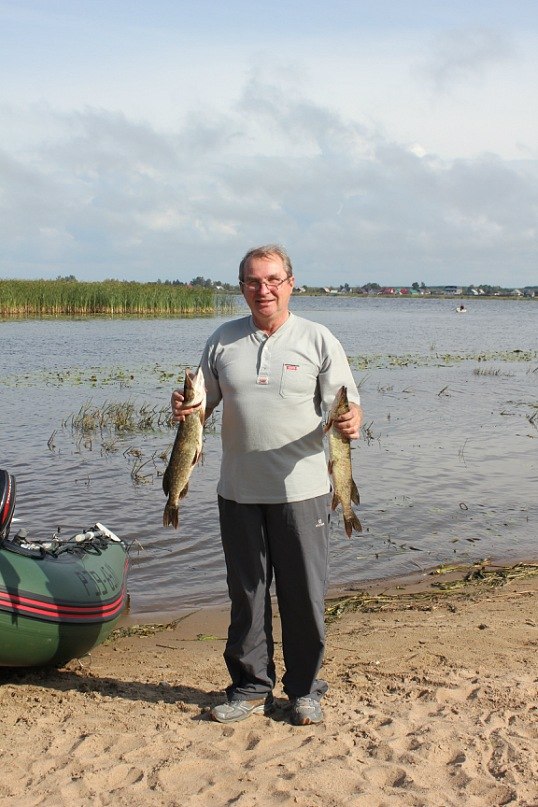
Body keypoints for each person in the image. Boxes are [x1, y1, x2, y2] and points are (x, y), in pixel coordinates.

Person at [172, 244, 362, 726]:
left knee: (304, 595)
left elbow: (345, 405)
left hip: (302, 492)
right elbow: (202, 404)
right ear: (242, 288)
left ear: (290, 283)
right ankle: (251, 687)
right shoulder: (221, 341)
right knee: (247, 595)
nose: (264, 290)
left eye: (273, 279)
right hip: (237, 492)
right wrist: (185, 407)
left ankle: (303, 690)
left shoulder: (318, 339)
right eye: (254, 282)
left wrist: (352, 420)